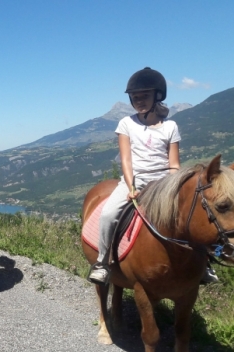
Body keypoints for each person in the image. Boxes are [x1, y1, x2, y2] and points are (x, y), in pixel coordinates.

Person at [86, 67, 220, 284]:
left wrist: (174, 187)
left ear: (157, 96)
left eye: (144, 96)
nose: (139, 101)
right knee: (108, 214)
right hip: (135, 180)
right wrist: (131, 187)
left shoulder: (170, 126)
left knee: (193, 215)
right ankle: (102, 262)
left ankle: (204, 264)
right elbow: (126, 160)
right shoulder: (126, 124)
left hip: (164, 182)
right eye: (135, 97)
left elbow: (174, 164)